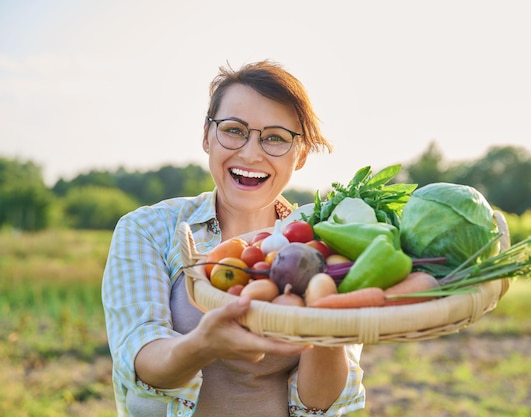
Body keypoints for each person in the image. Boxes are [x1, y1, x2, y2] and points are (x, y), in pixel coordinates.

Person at [102, 60, 366, 417]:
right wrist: (202, 345)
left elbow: (323, 405)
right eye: (234, 130)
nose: (250, 153)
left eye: (275, 137)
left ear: (300, 154)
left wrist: (325, 325)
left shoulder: (325, 246)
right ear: (207, 136)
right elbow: (141, 360)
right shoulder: (148, 229)